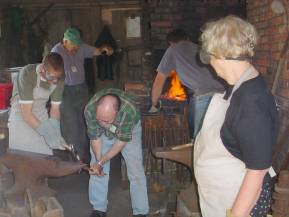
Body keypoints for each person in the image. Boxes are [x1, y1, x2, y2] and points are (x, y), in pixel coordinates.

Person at [194, 15, 278, 217]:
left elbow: (257, 171)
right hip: (221, 197)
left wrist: (236, 214)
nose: (209, 62)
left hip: (237, 202)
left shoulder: (251, 101)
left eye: (210, 55)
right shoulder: (238, 87)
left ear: (221, 54)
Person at [84, 88, 149, 217]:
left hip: (128, 130)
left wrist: (102, 161)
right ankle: (99, 209)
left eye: (106, 120)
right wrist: (99, 162)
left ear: (117, 113)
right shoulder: (89, 110)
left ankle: (141, 211)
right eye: (99, 119)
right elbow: (95, 137)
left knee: (136, 170)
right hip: (105, 133)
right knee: (96, 169)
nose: (102, 123)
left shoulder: (128, 112)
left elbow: (120, 143)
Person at [51, 27, 112, 162]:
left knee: (85, 121)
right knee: (71, 125)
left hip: (81, 89)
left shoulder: (81, 47)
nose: (77, 47)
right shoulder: (56, 51)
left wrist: (105, 49)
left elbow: (96, 51)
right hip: (64, 91)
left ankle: (85, 155)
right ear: (65, 41)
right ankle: (73, 158)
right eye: (74, 44)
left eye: (78, 44)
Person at [150, 28, 224, 138]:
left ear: (170, 43)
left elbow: (158, 82)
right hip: (224, 94)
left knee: (200, 140)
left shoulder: (172, 50)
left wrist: (154, 104)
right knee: (218, 137)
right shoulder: (199, 48)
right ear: (188, 39)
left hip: (204, 96)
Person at [8, 52, 66, 155]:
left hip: (40, 113)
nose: (55, 81)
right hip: (21, 114)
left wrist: (56, 132)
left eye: (58, 77)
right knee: (22, 157)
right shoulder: (27, 74)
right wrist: (48, 133)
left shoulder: (59, 77)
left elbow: (55, 109)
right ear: (43, 69)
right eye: (52, 77)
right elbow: (27, 114)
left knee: (44, 155)